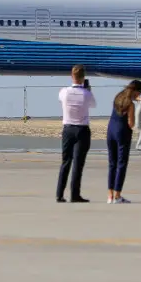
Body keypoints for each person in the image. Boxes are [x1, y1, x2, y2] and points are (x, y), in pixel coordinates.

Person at [56, 65, 95, 203]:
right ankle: (75, 194)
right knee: (78, 164)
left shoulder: (64, 92)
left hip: (67, 129)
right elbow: (93, 104)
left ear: (72, 76)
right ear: (83, 77)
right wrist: (88, 90)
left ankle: (59, 194)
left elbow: (60, 98)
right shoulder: (86, 93)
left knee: (65, 162)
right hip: (82, 129)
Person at [106, 80, 141, 204]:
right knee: (121, 163)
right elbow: (131, 123)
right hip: (122, 132)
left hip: (111, 130)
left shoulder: (118, 97)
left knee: (112, 163)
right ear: (136, 91)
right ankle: (117, 195)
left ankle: (110, 195)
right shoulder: (130, 104)